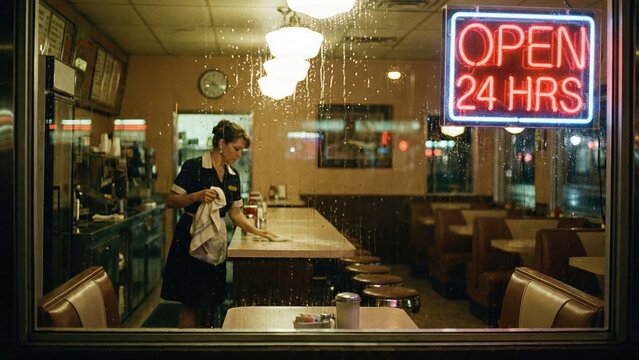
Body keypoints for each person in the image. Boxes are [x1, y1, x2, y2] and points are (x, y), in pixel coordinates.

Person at [161, 120, 274, 328]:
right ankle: (185, 350)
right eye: (236, 148)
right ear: (222, 144)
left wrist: (257, 231)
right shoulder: (193, 167)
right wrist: (196, 196)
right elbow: (171, 201)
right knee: (190, 303)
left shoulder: (233, 175)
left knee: (211, 302)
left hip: (215, 242)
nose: (240, 154)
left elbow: (235, 213)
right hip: (190, 239)